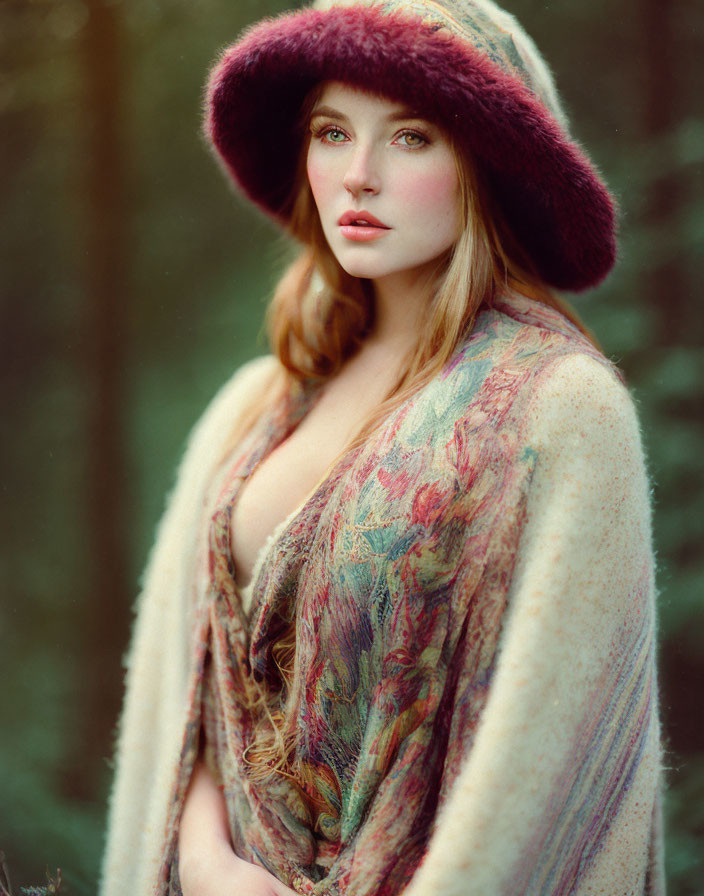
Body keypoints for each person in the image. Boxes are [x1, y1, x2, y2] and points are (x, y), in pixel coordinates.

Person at [100, 1, 665, 894]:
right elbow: (192, 700)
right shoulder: (256, 406)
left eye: (411, 138)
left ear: (488, 165)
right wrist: (210, 866)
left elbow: (548, 772)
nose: (357, 176)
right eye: (333, 132)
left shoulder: (562, 409)